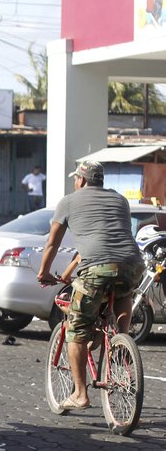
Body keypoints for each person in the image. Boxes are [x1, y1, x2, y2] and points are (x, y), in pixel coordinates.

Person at [36, 160, 144, 410]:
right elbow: (106, 242)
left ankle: (80, 394)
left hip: (97, 269)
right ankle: (121, 339)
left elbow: (52, 243)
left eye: (76, 178)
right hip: (131, 263)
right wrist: (67, 271)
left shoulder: (69, 201)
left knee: (76, 330)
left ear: (81, 180)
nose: (75, 182)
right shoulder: (120, 200)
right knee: (123, 291)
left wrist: (43, 272)